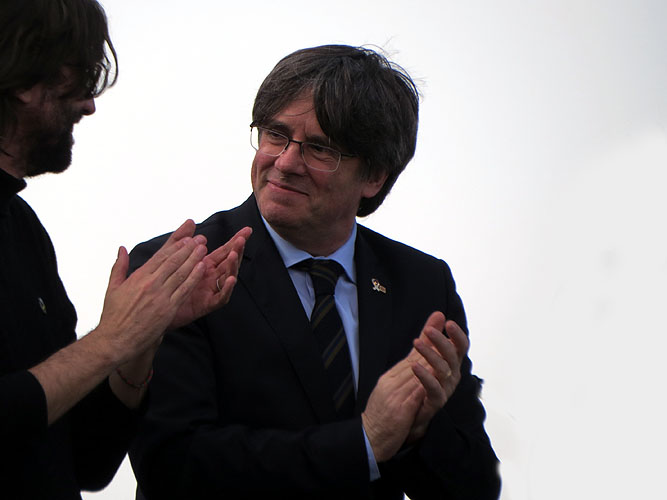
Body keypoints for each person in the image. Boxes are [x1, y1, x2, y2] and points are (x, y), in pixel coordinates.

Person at [129, 44, 500, 499]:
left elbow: (477, 487)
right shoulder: (180, 267)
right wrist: (364, 443)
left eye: (320, 149)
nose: (285, 163)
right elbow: (172, 466)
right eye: (275, 134)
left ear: (374, 176)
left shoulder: (421, 285)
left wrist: (421, 429)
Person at [0, 1, 251, 498]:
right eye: (82, 76)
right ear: (25, 79)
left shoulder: (23, 228)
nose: (89, 105)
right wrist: (110, 339)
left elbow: (85, 462)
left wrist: (142, 339)